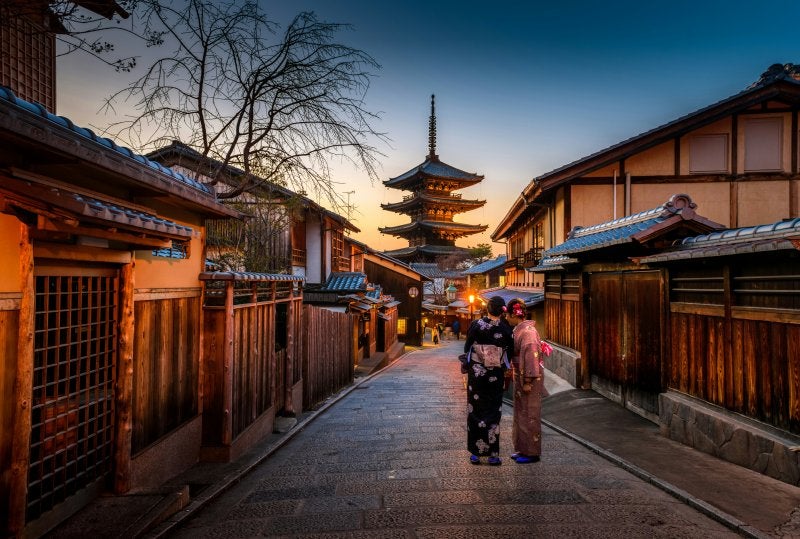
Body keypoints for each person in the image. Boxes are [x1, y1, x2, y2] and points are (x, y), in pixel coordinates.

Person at [461, 296, 513, 465]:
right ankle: (493, 454)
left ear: (488, 308)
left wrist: (473, 361)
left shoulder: (476, 325)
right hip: (495, 375)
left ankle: (476, 453)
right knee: (493, 411)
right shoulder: (506, 328)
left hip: (477, 375)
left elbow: (467, 347)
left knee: (475, 410)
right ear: (502, 311)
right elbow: (509, 352)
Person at [505, 298, 545, 464]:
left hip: (529, 378)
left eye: (507, 315)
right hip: (521, 375)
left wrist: (528, 380)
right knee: (521, 413)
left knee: (530, 414)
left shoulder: (527, 332)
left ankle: (531, 452)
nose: (506, 318)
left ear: (514, 314)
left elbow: (531, 357)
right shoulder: (520, 329)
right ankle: (522, 448)